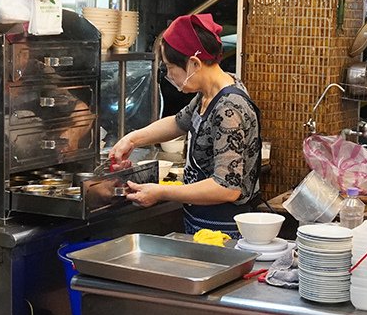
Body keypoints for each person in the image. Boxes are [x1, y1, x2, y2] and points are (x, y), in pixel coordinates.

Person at [110, 14, 262, 237]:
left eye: (171, 68)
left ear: (194, 63)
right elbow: (178, 122)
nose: (170, 75)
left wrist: (161, 192)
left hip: (224, 231)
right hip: (202, 222)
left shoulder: (229, 108)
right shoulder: (210, 94)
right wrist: (131, 139)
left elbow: (226, 188)